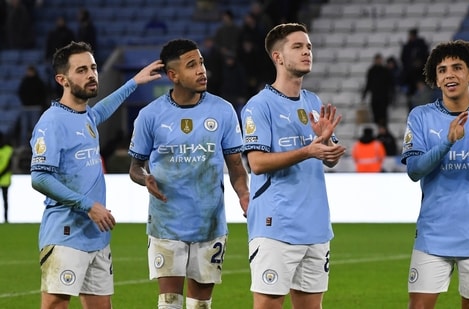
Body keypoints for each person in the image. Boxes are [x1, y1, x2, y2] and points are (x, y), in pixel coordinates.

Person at [29, 41, 163, 309]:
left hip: (96, 236)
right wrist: (88, 206)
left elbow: (100, 110)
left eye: (93, 67)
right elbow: (39, 178)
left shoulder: (85, 116)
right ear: (62, 79)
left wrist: (133, 82)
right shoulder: (52, 122)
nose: (91, 74)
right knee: (56, 303)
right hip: (66, 233)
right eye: (81, 70)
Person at [128, 38, 250, 309]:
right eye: (191, 65)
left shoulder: (223, 111)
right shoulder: (151, 115)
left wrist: (244, 194)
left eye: (202, 62)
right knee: (169, 303)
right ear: (173, 75)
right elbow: (135, 167)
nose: (201, 70)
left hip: (209, 223)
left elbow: (236, 167)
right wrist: (144, 177)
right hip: (166, 223)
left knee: (200, 305)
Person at [241, 23, 346, 309]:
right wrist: (308, 151)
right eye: (297, 47)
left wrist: (329, 150)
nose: (306, 52)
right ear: (278, 57)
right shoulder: (258, 106)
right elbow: (257, 163)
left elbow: (327, 157)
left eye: (309, 47)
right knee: (268, 304)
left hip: (315, 226)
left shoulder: (312, 101)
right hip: (276, 225)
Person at [401, 39, 469, 309]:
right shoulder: (421, 116)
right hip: (433, 234)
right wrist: (447, 142)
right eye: (442, 70)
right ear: (436, 80)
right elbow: (414, 171)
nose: (449, 74)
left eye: (457, 67)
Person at [17, 64, 48, 147]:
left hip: (35, 108)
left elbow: (43, 94)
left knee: (35, 128)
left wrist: (39, 103)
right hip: (25, 107)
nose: (29, 73)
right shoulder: (24, 81)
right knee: (24, 128)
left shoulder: (39, 82)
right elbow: (20, 92)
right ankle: (23, 146)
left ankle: (36, 145)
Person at [361, 53, 394, 125]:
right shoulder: (371, 71)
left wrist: (391, 95)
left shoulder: (385, 70)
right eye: (377, 60)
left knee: (383, 114)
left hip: (384, 96)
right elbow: (368, 83)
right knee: (375, 113)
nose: (378, 61)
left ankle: (383, 128)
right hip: (375, 96)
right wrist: (365, 94)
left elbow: (389, 84)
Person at [400, 28, 429, 102]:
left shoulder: (422, 46)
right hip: (410, 76)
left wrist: (420, 63)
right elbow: (403, 59)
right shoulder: (407, 47)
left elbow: (426, 58)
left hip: (420, 73)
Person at [0, 132, 13, 223]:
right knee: (5, 200)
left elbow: (9, 165)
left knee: (5, 200)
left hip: (4, 179)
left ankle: (6, 218)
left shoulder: (9, 150)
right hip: (4, 178)